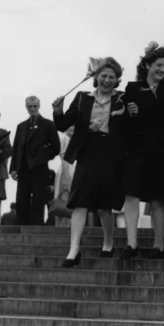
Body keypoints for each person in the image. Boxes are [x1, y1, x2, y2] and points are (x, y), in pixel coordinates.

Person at [53, 57, 127, 266]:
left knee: (104, 205)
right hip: (87, 151)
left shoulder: (123, 98)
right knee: (80, 201)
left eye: (112, 77)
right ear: (96, 77)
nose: (107, 80)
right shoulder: (82, 98)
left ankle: (108, 241)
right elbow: (63, 124)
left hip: (111, 152)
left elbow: (131, 125)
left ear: (117, 79)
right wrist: (58, 110)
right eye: (103, 76)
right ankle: (73, 250)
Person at [121, 43, 164, 260]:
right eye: (158, 65)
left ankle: (158, 245)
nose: (162, 69)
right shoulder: (132, 89)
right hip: (138, 149)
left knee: (158, 199)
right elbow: (125, 121)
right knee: (132, 194)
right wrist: (131, 113)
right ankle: (131, 244)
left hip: (163, 150)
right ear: (147, 65)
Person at [10, 96, 61, 225]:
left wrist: (42, 155)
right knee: (21, 201)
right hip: (23, 168)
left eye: (34, 106)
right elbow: (16, 148)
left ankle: (38, 227)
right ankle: (22, 227)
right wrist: (13, 169)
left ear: (39, 106)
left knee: (38, 200)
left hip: (39, 168)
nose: (32, 109)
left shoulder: (48, 124)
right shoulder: (21, 126)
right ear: (26, 107)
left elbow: (56, 147)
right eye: (29, 106)